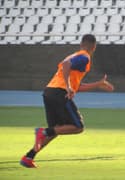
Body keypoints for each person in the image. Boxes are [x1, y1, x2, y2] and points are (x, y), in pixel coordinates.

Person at [20, 34, 114, 168]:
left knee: (57, 129)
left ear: (81, 44)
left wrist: (98, 84)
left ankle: (29, 157)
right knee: (78, 127)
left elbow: (78, 87)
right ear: (93, 47)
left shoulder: (75, 55)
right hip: (60, 93)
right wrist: (68, 87)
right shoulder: (84, 57)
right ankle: (43, 131)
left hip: (49, 92)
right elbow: (66, 65)